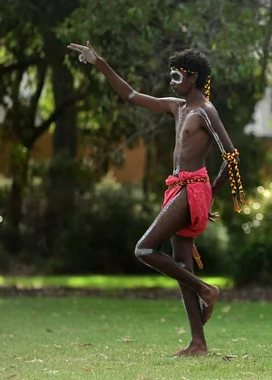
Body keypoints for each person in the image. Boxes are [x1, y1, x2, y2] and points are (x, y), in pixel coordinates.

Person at [67, 42, 248, 356]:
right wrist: (100, 63)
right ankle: (198, 343)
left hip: (194, 188)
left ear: (193, 78)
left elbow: (231, 156)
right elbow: (131, 96)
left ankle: (206, 289)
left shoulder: (205, 111)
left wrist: (210, 197)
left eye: (177, 76)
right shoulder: (177, 107)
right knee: (181, 263)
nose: (172, 81)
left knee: (144, 249)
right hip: (177, 187)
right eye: (172, 75)